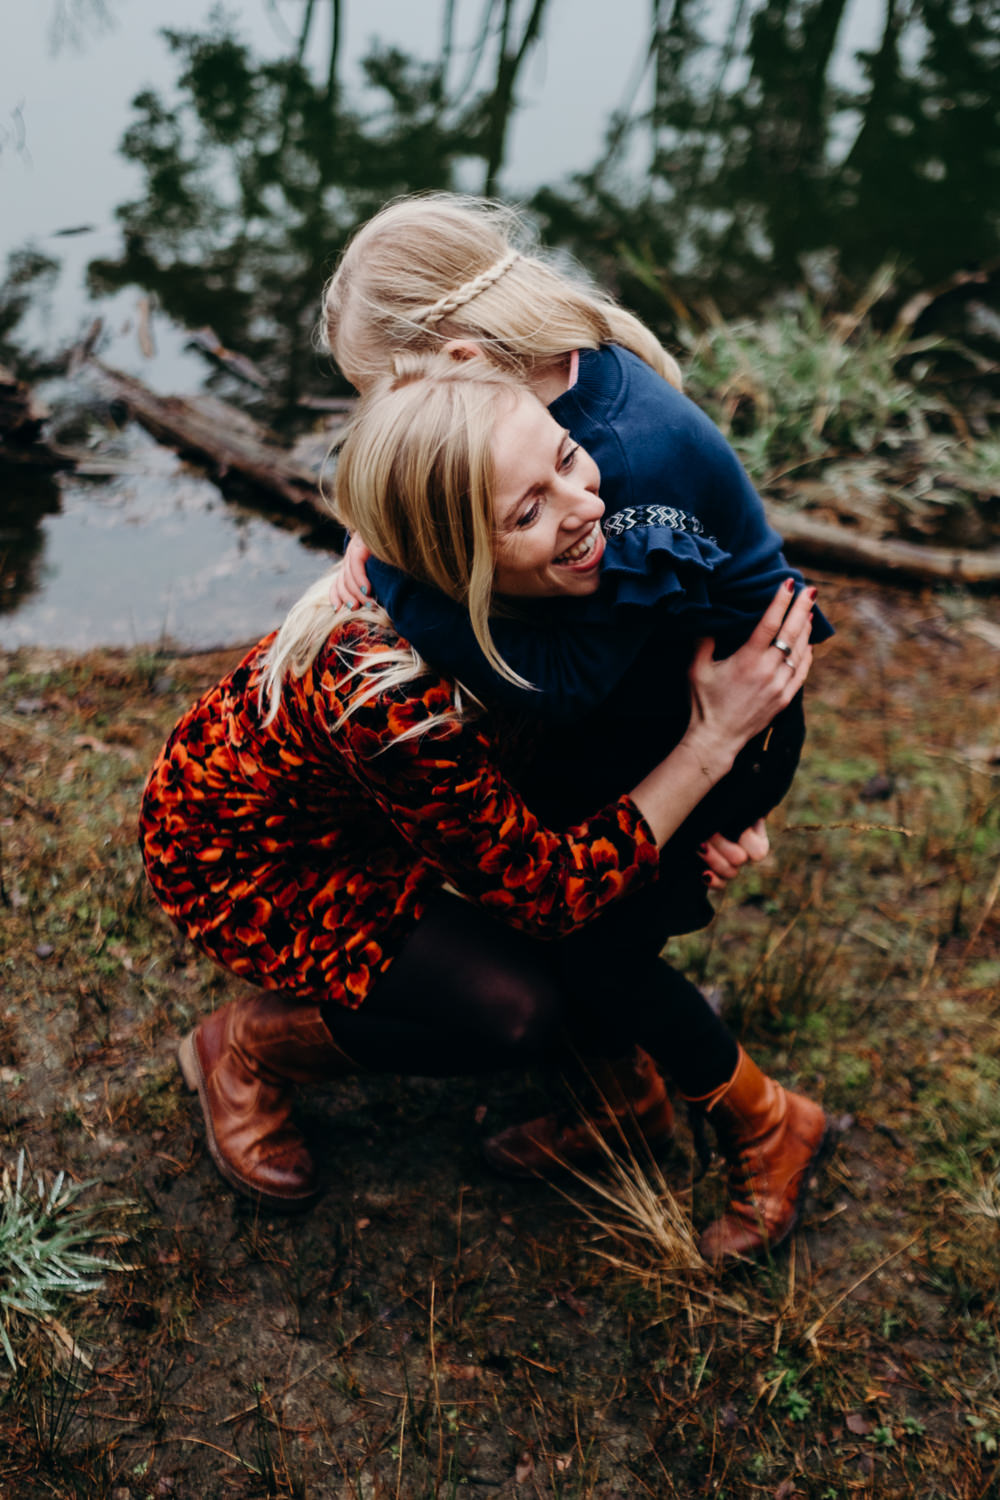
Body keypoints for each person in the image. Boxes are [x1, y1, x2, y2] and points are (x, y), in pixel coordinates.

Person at [140, 355, 827, 1265]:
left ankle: (622, 1088)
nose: (588, 506)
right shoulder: (389, 690)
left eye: (569, 458)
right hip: (262, 862)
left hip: (397, 812)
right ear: (451, 562)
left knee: (618, 894)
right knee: (515, 1006)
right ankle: (250, 1049)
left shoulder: (556, 554)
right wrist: (708, 748)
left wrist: (730, 805)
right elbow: (546, 891)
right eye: (528, 511)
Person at [321, 192, 833, 1187]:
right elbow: (448, 475)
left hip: (717, 711)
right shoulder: (546, 392)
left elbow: (560, 679)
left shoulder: (621, 465)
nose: (389, 420)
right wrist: (387, 518)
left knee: (598, 943)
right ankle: (620, 1098)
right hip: (646, 695)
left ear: (458, 358)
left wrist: (395, 571)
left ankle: (769, 1129)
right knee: (539, 898)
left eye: (386, 394)